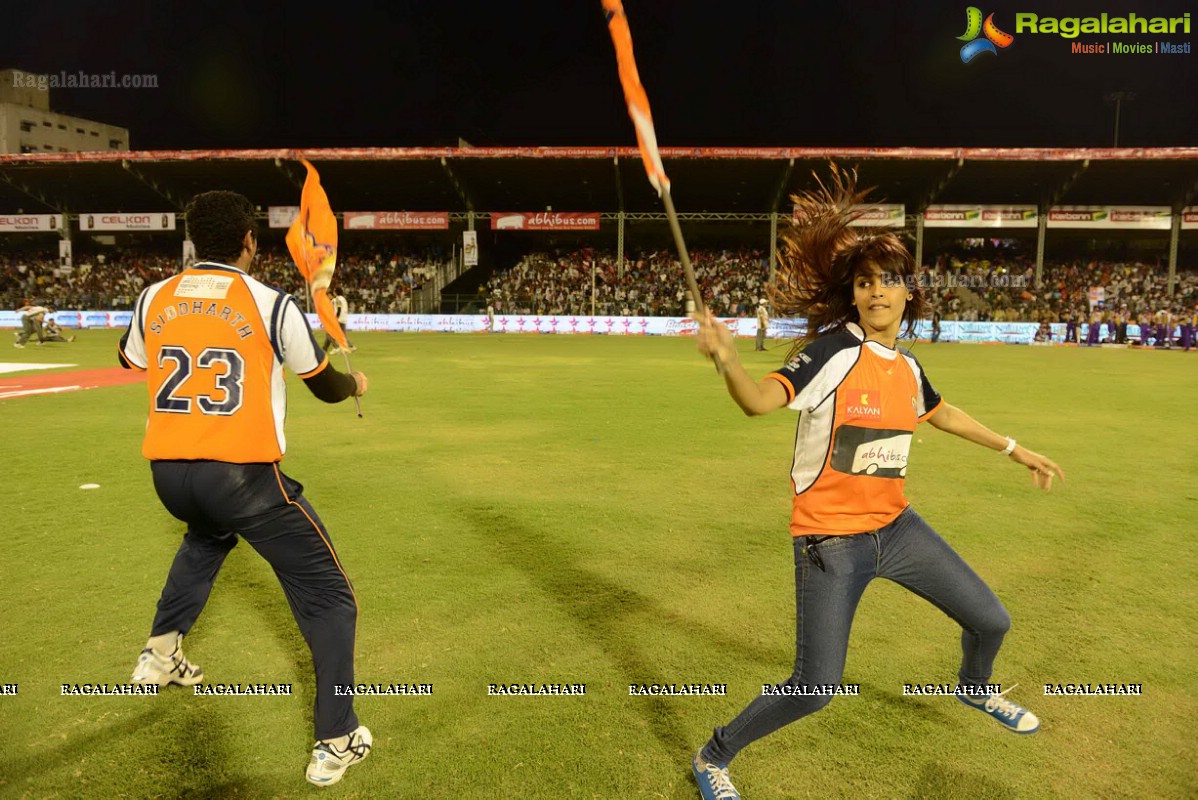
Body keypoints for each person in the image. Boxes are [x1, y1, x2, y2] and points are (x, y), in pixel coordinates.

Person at [687, 167, 1063, 800]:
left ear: (908, 293)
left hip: (897, 529)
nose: (878, 291)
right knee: (815, 688)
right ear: (855, 296)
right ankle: (714, 755)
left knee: (991, 621)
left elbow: (938, 411)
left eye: (889, 280)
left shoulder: (908, 365)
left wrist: (1013, 447)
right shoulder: (833, 350)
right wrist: (727, 359)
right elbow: (759, 400)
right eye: (865, 282)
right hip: (832, 544)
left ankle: (974, 685)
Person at [117, 191, 372, 787]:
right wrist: (354, 381)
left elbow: (133, 361)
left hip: (170, 474)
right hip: (241, 476)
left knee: (205, 541)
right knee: (331, 598)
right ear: (249, 242)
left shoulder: (153, 295)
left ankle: (159, 655)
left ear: (192, 241)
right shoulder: (269, 302)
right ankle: (337, 738)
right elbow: (322, 385)